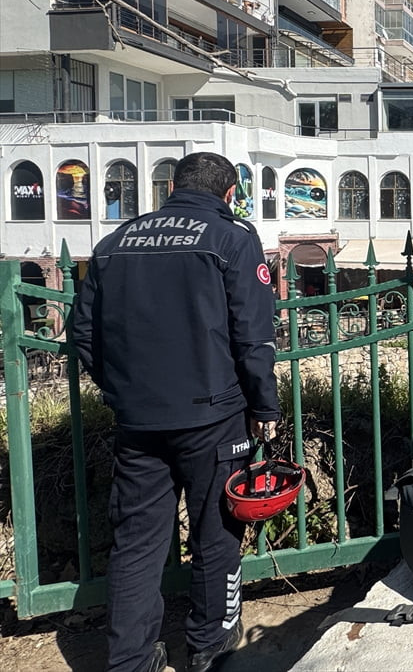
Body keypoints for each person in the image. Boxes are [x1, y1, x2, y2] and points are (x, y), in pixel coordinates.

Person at [71, 152, 281, 672]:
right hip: (214, 416)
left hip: (137, 420)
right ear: (230, 194)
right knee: (217, 532)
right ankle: (209, 643)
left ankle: (130, 660)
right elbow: (253, 336)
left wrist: (121, 392)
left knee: (136, 542)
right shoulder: (233, 238)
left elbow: (83, 334)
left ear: (170, 188)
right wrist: (265, 405)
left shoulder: (116, 242)